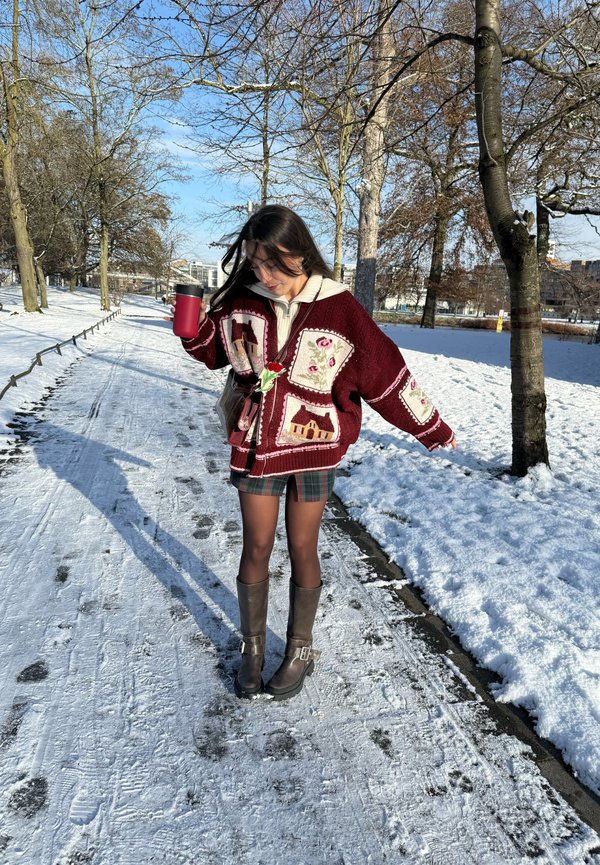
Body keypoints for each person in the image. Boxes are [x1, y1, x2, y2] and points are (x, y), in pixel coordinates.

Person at [175, 204, 456, 701]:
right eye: (256, 263)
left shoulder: (340, 309)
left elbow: (386, 375)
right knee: (256, 545)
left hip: (314, 447)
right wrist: (191, 328)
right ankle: (252, 648)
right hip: (258, 445)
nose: (265, 275)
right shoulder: (244, 299)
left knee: (303, 546)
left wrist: (430, 427)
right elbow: (212, 350)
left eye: (274, 263)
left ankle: (299, 650)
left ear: (300, 252)